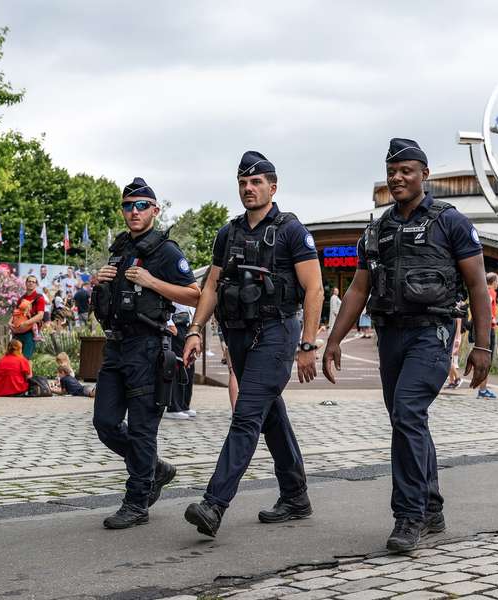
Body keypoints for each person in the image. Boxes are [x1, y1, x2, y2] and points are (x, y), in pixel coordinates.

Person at [323, 138, 491, 552]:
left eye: (406, 171)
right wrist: (333, 340)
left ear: (425, 175)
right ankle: (431, 506)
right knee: (407, 421)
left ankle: (409, 516)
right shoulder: (378, 228)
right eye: (392, 172)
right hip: (391, 336)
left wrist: (482, 346)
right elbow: (359, 288)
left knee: (407, 412)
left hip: (431, 335)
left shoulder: (450, 221)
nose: (397, 178)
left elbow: (477, 286)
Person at [181, 151, 323, 538]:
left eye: (256, 182)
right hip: (241, 334)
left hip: (277, 332)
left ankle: (214, 503)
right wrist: (195, 329)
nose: (248, 188)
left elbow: (314, 289)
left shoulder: (292, 231)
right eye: (243, 182)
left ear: (272, 187)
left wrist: (308, 345)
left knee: (246, 415)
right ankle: (295, 495)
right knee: (270, 414)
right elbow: (210, 286)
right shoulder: (228, 233)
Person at [90, 177, 200, 529]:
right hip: (117, 346)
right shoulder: (120, 249)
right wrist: (99, 282)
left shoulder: (166, 252)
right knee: (105, 422)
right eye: (127, 205)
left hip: (148, 348)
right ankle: (155, 468)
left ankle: (136, 503)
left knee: (141, 430)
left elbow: (195, 295)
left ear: (155, 209)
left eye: (140, 206)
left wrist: (152, 282)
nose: (133, 212)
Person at [166, 302, 197, 420]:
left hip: (188, 324)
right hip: (176, 324)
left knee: (189, 364)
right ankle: (174, 406)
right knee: (178, 364)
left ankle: (184, 404)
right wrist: (169, 323)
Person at [474, 272, 498, 399]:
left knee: (486, 358)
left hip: (484, 329)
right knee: (487, 359)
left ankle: (483, 387)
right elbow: (487, 308)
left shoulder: (484, 291)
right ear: (493, 281)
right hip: (489, 329)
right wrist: (493, 319)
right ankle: (482, 389)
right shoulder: (491, 293)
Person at [10, 275, 45, 359]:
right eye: (29, 281)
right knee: (15, 358)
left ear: (36, 284)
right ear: (26, 283)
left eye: (33, 282)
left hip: (30, 332)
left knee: (26, 359)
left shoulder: (39, 298)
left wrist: (26, 323)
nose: (31, 283)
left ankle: (28, 373)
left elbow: (40, 315)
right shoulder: (21, 298)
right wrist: (9, 322)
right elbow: (16, 313)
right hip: (17, 332)